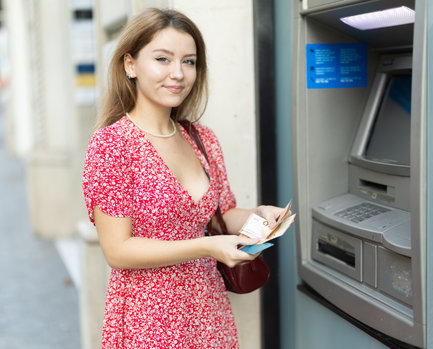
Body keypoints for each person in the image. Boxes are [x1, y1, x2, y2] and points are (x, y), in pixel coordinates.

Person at [83, 8, 284, 349]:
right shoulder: (112, 145)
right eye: (163, 59)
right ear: (130, 65)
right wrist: (206, 246)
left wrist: (258, 216)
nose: (178, 73)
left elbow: (220, 213)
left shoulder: (201, 138)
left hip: (207, 310)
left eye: (189, 62)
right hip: (148, 318)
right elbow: (117, 250)